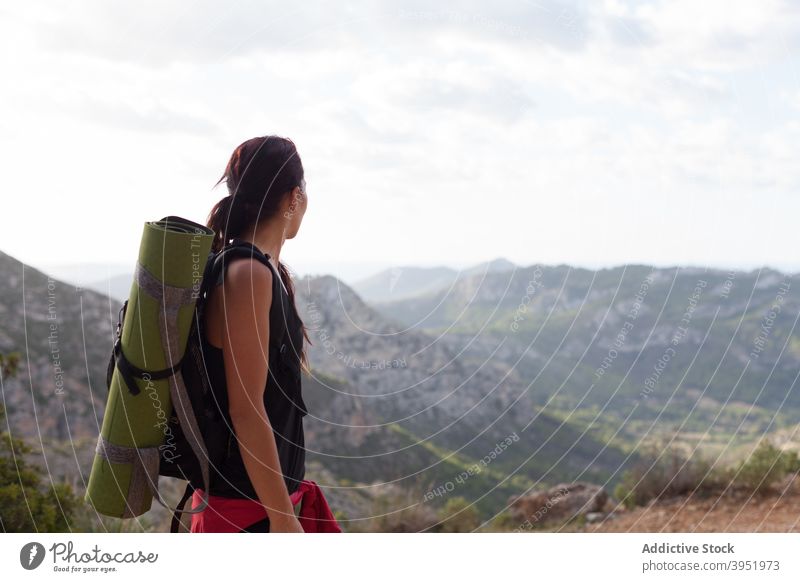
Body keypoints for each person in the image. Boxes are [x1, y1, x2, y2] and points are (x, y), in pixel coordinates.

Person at [192, 135, 311, 533]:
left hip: (257, 507)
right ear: (294, 197)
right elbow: (246, 410)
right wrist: (283, 520)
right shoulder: (248, 274)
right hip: (246, 513)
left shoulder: (262, 270)